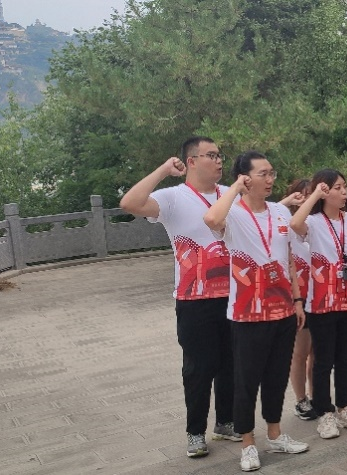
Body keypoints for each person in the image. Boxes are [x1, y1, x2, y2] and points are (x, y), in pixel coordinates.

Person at [119, 136, 239, 459]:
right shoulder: (173, 197)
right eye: (211, 155)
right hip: (194, 299)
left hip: (234, 295)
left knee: (231, 362)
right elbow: (129, 203)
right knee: (199, 367)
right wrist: (162, 170)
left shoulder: (230, 194)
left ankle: (226, 422)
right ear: (191, 162)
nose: (219, 160)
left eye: (220, 155)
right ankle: (195, 431)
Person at [202, 151, 309, 472]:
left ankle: (275, 434)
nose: (270, 179)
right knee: (246, 381)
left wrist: (297, 301)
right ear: (245, 178)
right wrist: (235, 188)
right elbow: (211, 220)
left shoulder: (280, 211)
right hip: (248, 314)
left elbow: (288, 260)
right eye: (263, 174)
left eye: (272, 173)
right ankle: (248, 443)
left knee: (276, 376)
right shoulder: (233, 213)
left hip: (283, 310)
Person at [289, 169, 347, 440]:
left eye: (345, 186)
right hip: (322, 303)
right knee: (323, 361)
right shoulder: (313, 223)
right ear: (324, 192)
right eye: (337, 187)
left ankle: (344, 407)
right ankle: (324, 412)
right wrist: (314, 196)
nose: (344, 192)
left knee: (344, 359)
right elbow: (295, 224)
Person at [283, 179, 318, 421]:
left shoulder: (318, 224)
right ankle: (300, 399)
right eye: (303, 195)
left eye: (311, 194)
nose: (307, 199)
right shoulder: (286, 224)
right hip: (299, 297)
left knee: (318, 352)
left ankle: (317, 396)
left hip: (322, 296)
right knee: (300, 352)